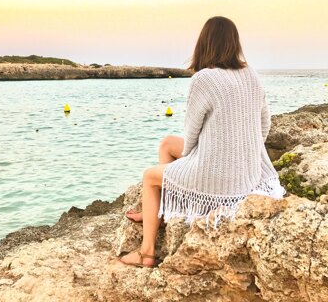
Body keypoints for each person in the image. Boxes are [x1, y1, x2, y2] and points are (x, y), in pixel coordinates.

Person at [119, 16, 285, 268]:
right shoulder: (249, 72)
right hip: (248, 169)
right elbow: (265, 122)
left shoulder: (204, 79)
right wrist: (244, 152)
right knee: (166, 144)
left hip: (219, 176)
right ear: (233, 43)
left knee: (150, 177)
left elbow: (192, 132)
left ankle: (147, 253)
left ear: (205, 43)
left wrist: (193, 156)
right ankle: (160, 212)